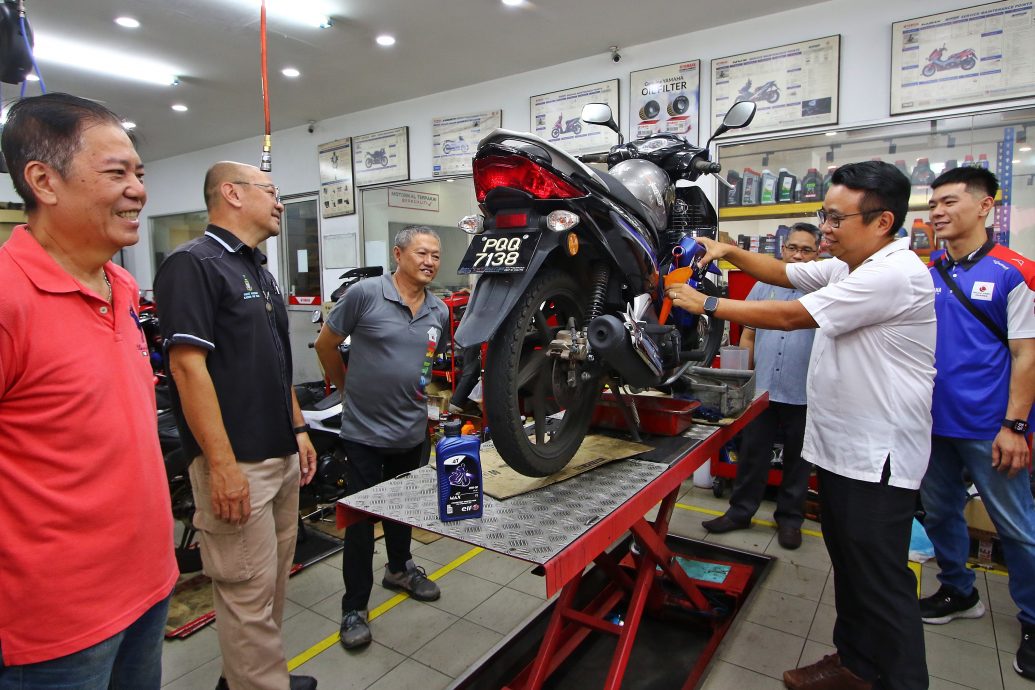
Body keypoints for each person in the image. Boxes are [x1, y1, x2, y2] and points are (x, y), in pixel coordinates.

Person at [669, 161, 935, 690]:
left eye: (837, 218)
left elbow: (794, 315)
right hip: (841, 450)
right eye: (824, 215)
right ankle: (855, 664)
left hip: (876, 459)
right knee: (851, 570)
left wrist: (709, 303)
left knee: (881, 582)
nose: (826, 228)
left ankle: (901, 680)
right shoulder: (848, 266)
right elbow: (782, 274)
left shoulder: (892, 274)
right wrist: (727, 251)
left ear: (882, 222)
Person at [0, 93, 177, 688]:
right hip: (56, 627)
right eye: (116, 173)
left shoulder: (120, 285)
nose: (138, 191)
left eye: (139, 174)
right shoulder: (7, 299)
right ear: (43, 181)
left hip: (149, 587)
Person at [154, 162, 318, 690]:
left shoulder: (258, 270)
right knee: (246, 591)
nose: (280, 203)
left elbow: (275, 362)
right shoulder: (193, 265)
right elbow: (186, 369)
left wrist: (298, 430)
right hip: (237, 463)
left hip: (280, 454)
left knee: (270, 585)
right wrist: (221, 466)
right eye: (271, 191)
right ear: (232, 193)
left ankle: (254, 678)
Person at [916, 167, 1035, 678]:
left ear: (986, 205)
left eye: (950, 201)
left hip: (991, 428)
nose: (938, 212)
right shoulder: (931, 270)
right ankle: (958, 591)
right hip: (933, 424)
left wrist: (1015, 426)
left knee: (1018, 527)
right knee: (940, 512)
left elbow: (1027, 356)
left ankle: (1033, 619)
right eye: (933, 204)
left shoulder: (1015, 272)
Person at [314, 225, 449, 650]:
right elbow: (325, 345)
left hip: (412, 431)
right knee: (359, 522)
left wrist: (423, 397)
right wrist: (345, 389)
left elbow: (428, 362)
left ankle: (399, 569)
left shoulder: (440, 310)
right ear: (398, 254)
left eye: (436, 255)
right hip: (365, 434)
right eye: (421, 253)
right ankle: (354, 606)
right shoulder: (365, 294)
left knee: (402, 509)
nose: (429, 261)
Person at [702, 223, 819, 550]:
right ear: (782, 249)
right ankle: (740, 512)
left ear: (818, 254)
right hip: (763, 389)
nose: (798, 255)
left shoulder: (824, 289)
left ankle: (790, 520)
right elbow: (749, 334)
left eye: (806, 250)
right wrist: (743, 380)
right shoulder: (764, 285)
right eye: (792, 248)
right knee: (752, 454)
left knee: (798, 460)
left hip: (805, 393)